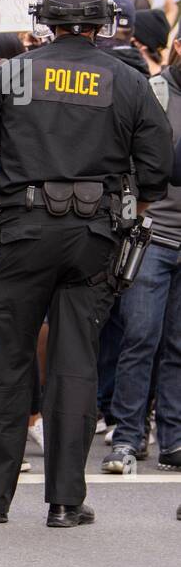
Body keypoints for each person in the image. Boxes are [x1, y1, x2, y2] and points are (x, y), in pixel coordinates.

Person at [0, 0, 173, 527]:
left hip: (24, 230)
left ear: (44, 19)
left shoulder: (12, 74)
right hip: (94, 236)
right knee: (76, 365)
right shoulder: (127, 81)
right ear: (103, 21)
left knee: (8, 361)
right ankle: (64, 502)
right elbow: (157, 170)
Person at [103, 26, 181, 474]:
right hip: (154, 235)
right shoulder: (154, 91)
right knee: (139, 337)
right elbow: (132, 159)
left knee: (178, 346)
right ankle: (128, 438)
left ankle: (172, 439)